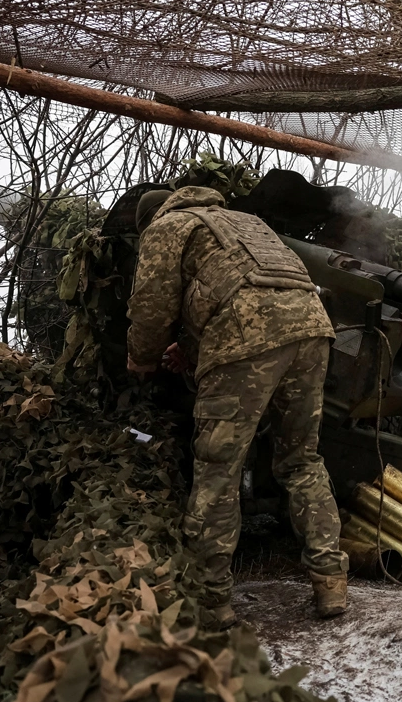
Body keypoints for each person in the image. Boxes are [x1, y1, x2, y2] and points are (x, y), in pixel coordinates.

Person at [126, 186, 348, 627]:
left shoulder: (167, 226)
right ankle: (330, 582)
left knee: (218, 467)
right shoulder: (246, 223)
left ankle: (211, 600)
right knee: (301, 460)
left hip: (246, 337)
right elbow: (242, 287)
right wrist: (191, 348)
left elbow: (152, 306)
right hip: (312, 330)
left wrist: (141, 358)